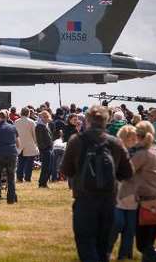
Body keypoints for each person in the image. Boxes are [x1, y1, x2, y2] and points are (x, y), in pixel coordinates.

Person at [61, 106, 133, 262]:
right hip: (108, 201)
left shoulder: (77, 141)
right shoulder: (115, 142)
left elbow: (66, 170)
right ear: (106, 121)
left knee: (85, 243)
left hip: (84, 200)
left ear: (87, 121)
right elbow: (128, 173)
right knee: (103, 247)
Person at [130, 121, 156, 261]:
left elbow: (126, 174)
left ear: (138, 136)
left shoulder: (142, 155)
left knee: (143, 246)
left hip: (145, 204)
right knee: (149, 244)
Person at [107, 125, 139, 260]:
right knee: (117, 224)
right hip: (118, 195)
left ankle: (125, 255)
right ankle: (106, 250)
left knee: (130, 229)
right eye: (132, 138)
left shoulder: (137, 153)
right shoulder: (115, 151)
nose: (135, 140)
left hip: (133, 197)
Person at [0, 110, 20, 204]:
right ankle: (11, 199)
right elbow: (18, 143)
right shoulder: (13, 128)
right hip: (12, 154)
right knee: (11, 177)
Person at [15, 107, 38, 182]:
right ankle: (27, 178)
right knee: (29, 163)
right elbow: (35, 134)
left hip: (20, 144)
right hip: (30, 144)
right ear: (28, 113)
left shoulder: (16, 121)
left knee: (20, 162)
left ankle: (19, 177)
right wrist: (36, 143)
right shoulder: (31, 122)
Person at [35, 111, 54, 188]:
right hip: (45, 149)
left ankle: (44, 183)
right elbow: (40, 140)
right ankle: (42, 183)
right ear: (41, 117)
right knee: (46, 167)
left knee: (48, 167)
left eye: (47, 116)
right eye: (44, 117)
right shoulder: (39, 126)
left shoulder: (46, 125)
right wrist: (45, 149)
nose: (46, 118)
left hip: (48, 148)